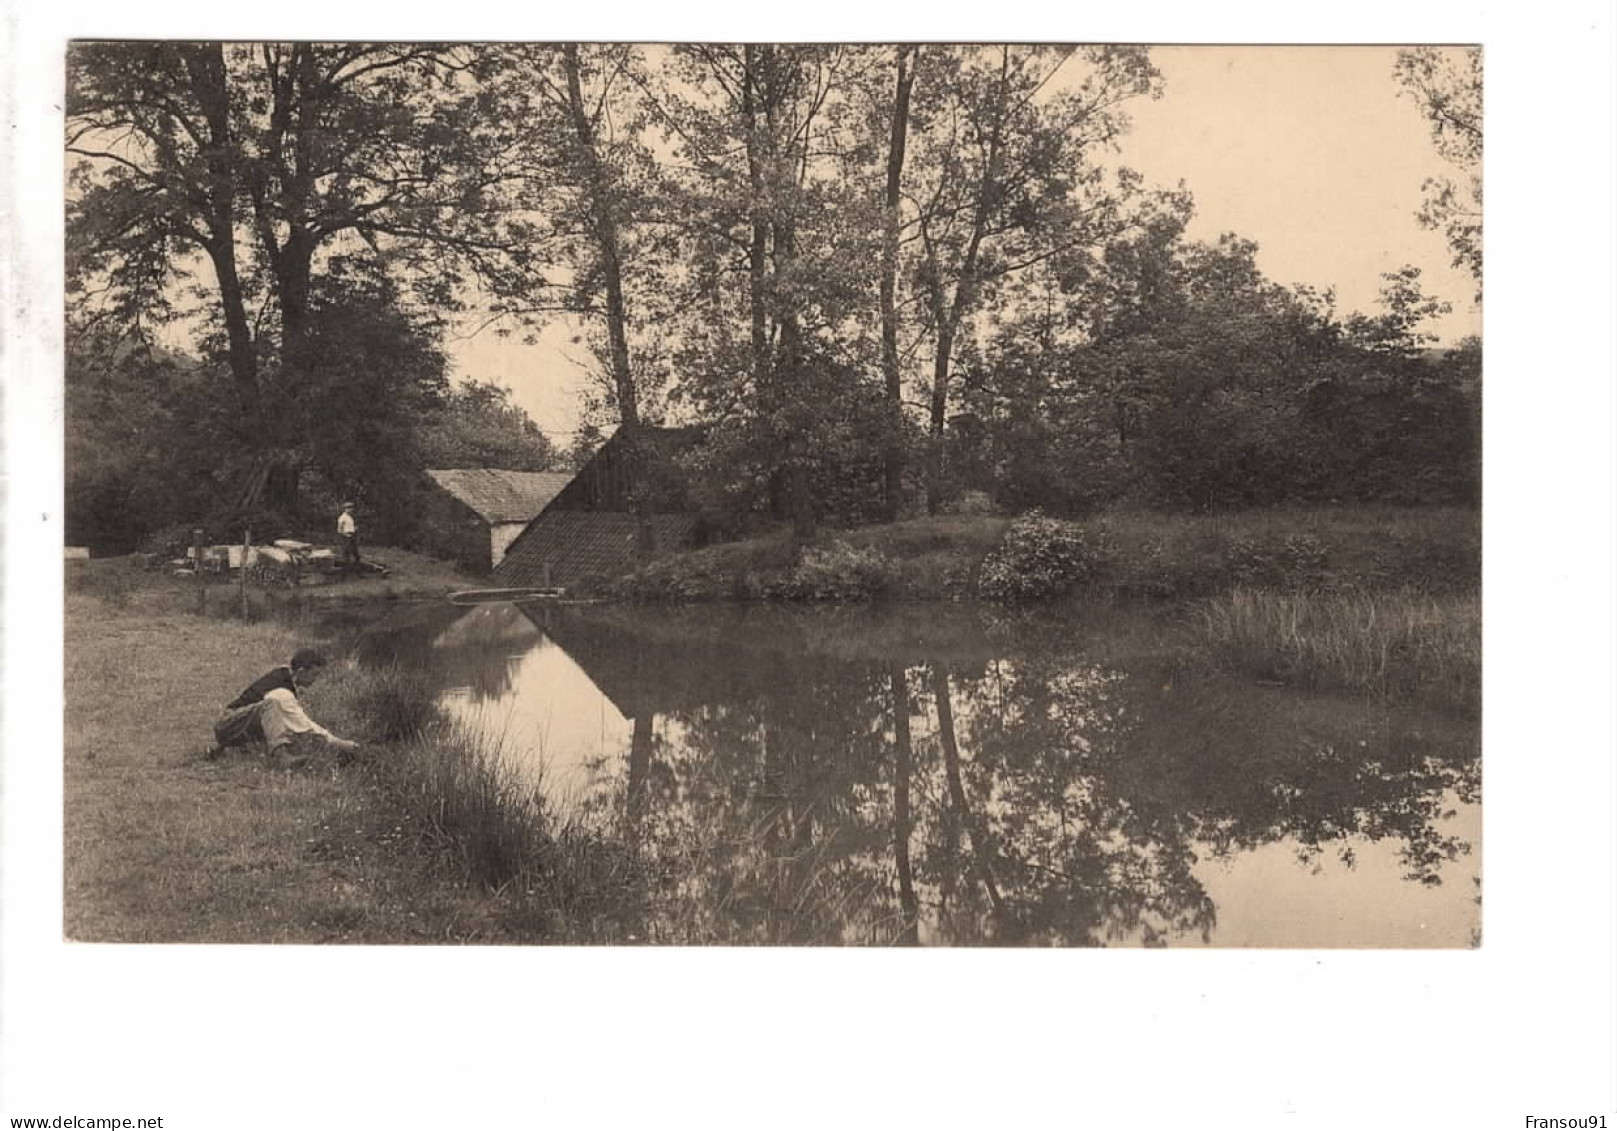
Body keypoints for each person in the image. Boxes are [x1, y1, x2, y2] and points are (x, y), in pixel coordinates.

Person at [206, 648, 360, 770]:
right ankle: (281, 756)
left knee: (277, 718)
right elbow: (304, 725)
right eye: (314, 674)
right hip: (227, 724)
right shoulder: (282, 691)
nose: (315, 680)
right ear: (301, 672)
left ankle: (231, 749)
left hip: (238, 725)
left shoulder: (285, 676)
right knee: (271, 706)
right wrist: (338, 742)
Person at [337, 501, 361, 576]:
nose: (351, 510)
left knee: (356, 554)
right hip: (346, 537)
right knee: (346, 555)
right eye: (348, 508)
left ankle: (358, 572)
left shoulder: (350, 517)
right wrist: (346, 535)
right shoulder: (342, 517)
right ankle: (344, 574)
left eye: (351, 508)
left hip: (352, 536)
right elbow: (339, 530)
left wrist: (355, 529)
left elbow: (350, 527)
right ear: (345, 509)